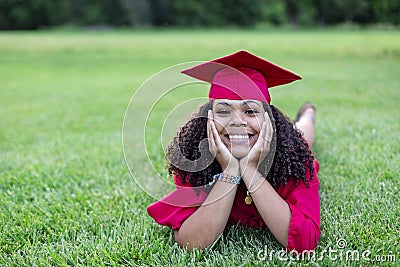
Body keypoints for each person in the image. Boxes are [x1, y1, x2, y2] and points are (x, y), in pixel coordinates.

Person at [147, 50, 320, 253]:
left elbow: (305, 243)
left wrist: (250, 169)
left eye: (250, 111)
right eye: (223, 111)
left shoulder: (293, 161)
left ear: (268, 119)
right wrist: (230, 170)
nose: (237, 121)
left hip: (287, 143)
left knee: (302, 135)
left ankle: (308, 114)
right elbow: (190, 243)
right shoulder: (194, 160)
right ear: (208, 118)